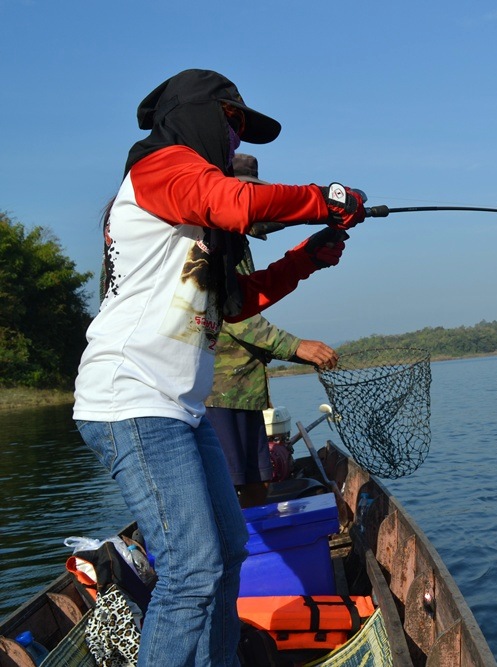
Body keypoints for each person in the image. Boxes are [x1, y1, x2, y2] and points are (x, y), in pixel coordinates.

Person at [73, 69, 366, 667]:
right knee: (190, 567)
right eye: (233, 125)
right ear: (199, 114)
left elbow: (234, 303)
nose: (237, 143)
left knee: (228, 550)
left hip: (179, 407)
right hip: (130, 398)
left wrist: (306, 257)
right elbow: (233, 199)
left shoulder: (198, 216)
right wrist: (322, 200)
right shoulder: (160, 166)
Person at [205, 153, 339, 509]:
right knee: (230, 487)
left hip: (244, 390)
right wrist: (298, 348)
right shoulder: (209, 242)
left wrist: (310, 252)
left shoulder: (236, 241)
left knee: (257, 482)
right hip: (216, 393)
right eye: (245, 196)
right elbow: (234, 314)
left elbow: (248, 297)